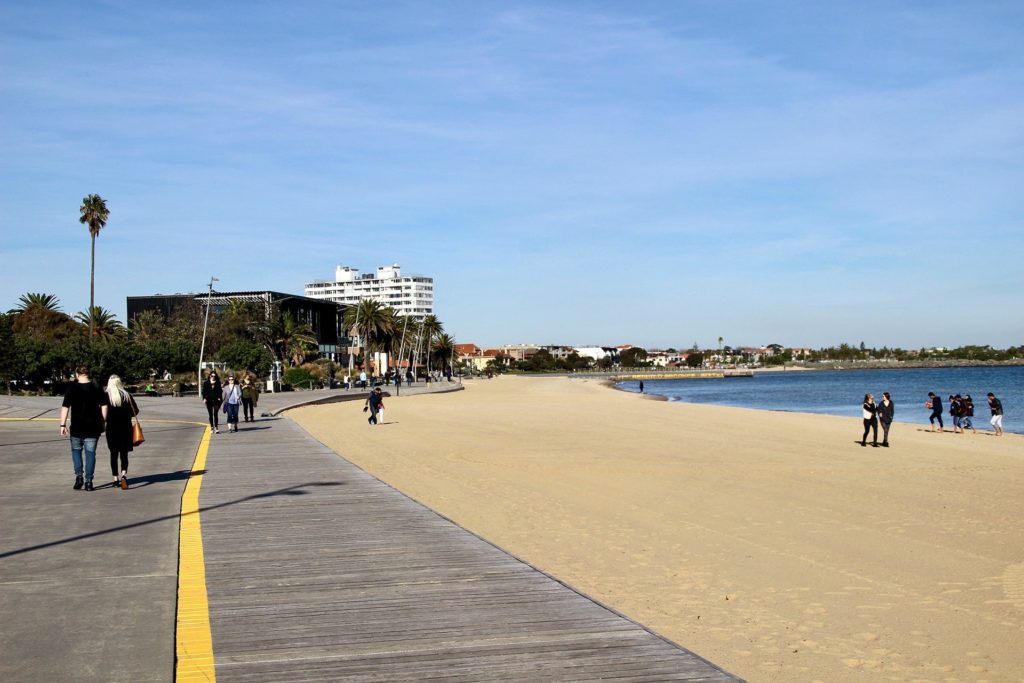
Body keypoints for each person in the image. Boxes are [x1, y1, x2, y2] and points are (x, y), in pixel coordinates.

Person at [60, 365, 109, 491]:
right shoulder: (96, 387)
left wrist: (62, 425)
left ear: (77, 374)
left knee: (76, 451)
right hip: (93, 427)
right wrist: (103, 421)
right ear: (88, 374)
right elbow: (104, 405)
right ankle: (89, 481)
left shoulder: (72, 387)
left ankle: (79, 477)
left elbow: (65, 407)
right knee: (90, 453)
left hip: (77, 426)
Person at [105, 375, 139, 490]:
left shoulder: (106, 395)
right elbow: (135, 411)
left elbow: (102, 412)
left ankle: (115, 479)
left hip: (111, 429)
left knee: (113, 454)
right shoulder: (127, 395)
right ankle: (123, 474)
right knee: (124, 454)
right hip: (125, 428)